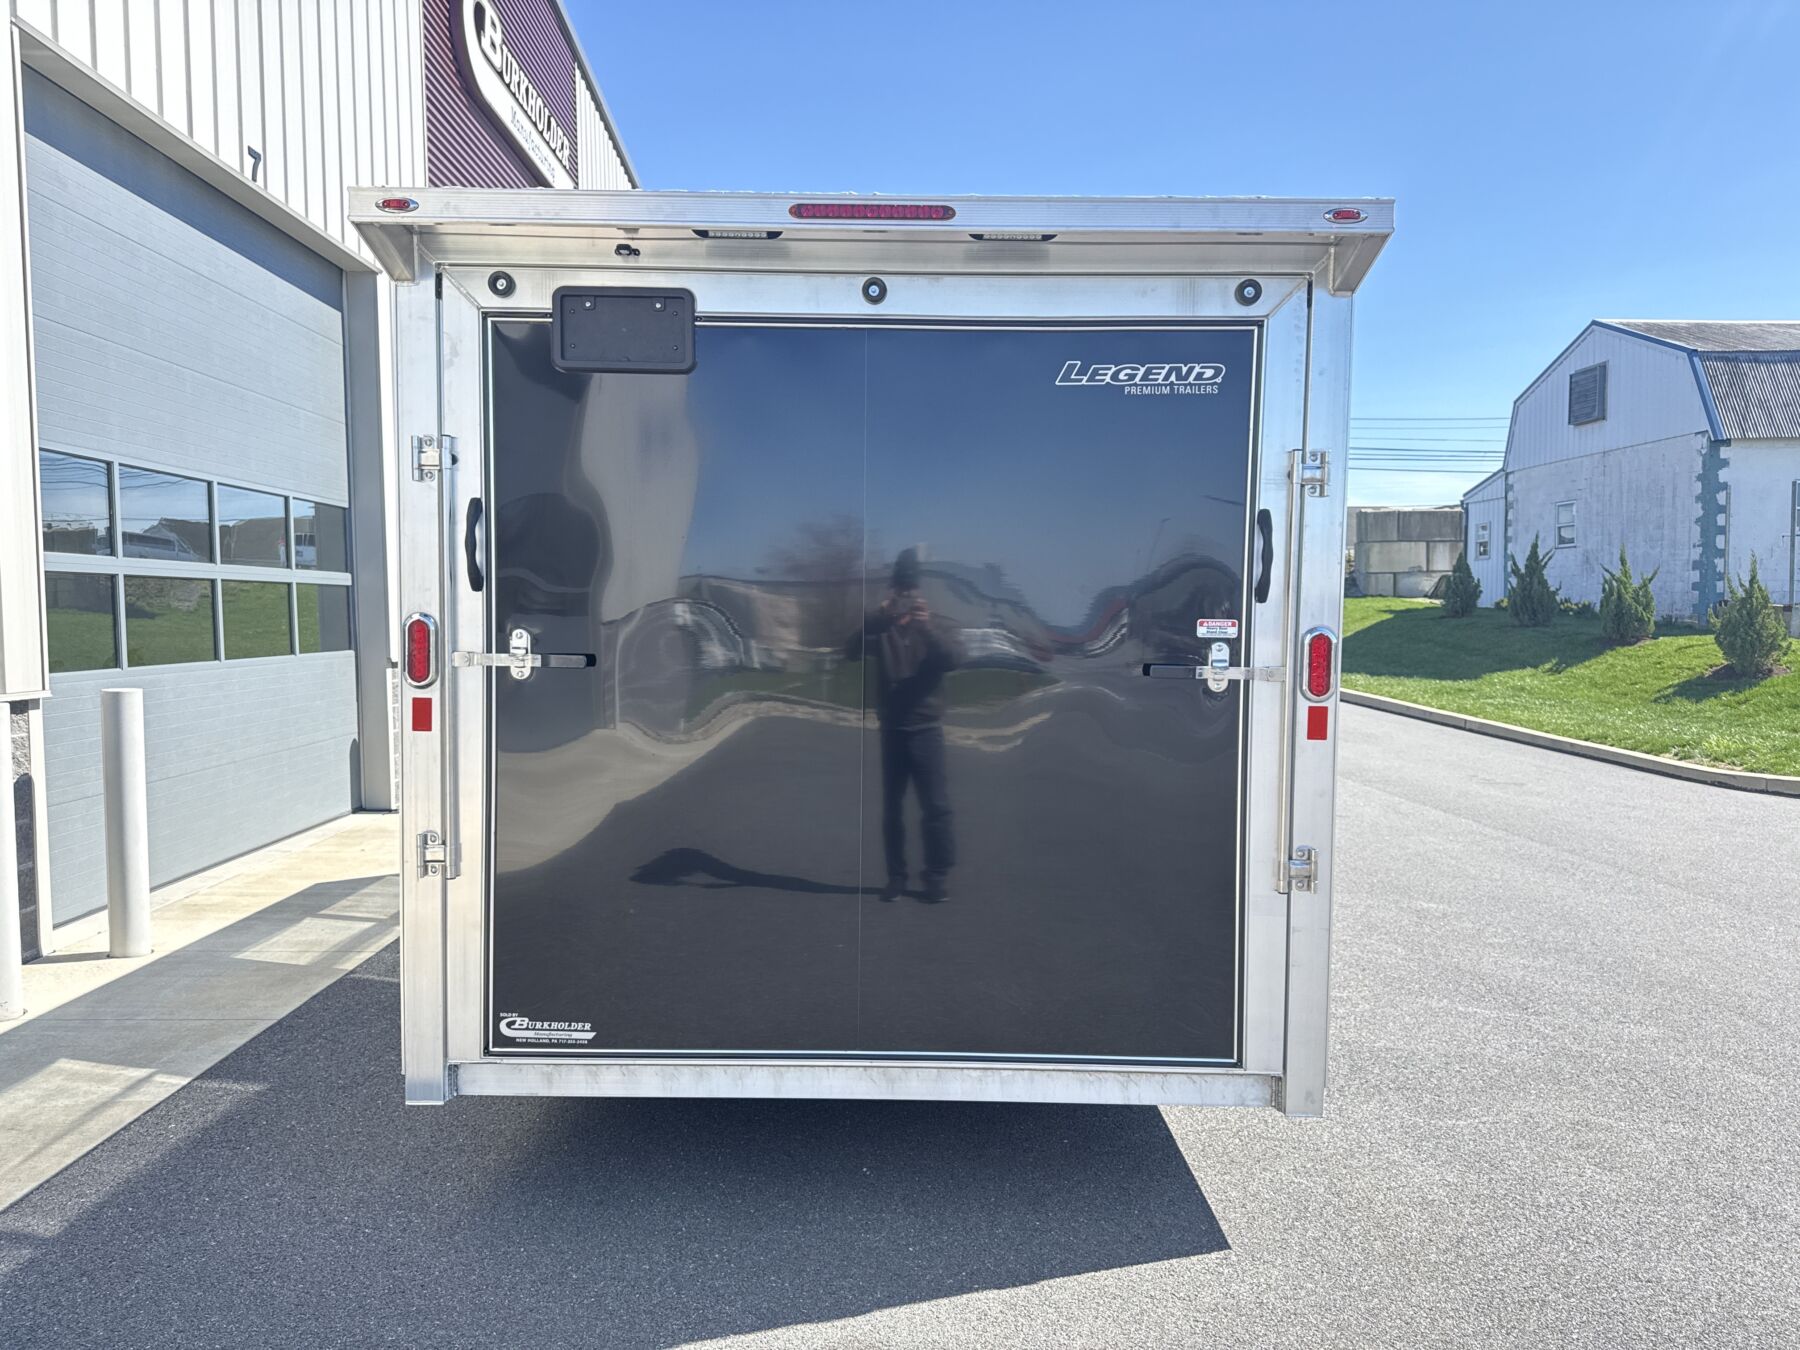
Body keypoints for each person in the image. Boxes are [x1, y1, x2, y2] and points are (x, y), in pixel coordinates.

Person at [847, 549, 963, 902]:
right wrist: (877, 618)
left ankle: (936, 874)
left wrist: (927, 628)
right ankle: (896, 875)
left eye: (910, 590)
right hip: (893, 729)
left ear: (920, 590)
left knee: (936, 806)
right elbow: (850, 650)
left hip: (926, 727)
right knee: (893, 808)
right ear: (892, 590)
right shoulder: (881, 628)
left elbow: (954, 659)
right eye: (900, 590)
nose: (905, 596)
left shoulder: (937, 623)